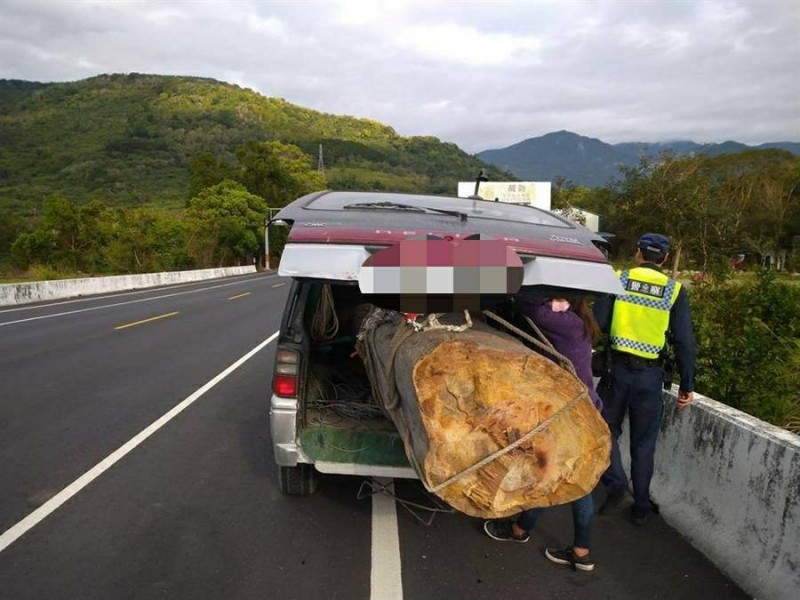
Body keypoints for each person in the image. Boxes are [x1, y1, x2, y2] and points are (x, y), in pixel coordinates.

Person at [483, 295, 602, 572]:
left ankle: (522, 531)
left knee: (556, 476)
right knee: (567, 477)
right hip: (580, 411)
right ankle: (534, 533)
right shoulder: (576, 320)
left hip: (571, 415)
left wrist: (535, 290)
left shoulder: (566, 322)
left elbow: (527, 306)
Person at [593, 232, 697, 526]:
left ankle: (615, 486)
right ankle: (640, 506)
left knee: (605, 430)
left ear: (637, 252)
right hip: (650, 377)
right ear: (664, 259)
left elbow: (598, 323)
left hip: (616, 372)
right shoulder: (674, 290)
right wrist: (687, 384)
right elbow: (685, 342)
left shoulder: (617, 279)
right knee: (643, 443)